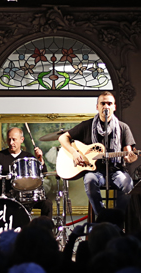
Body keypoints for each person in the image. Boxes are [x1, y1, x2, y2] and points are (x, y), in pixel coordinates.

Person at [59, 91, 137, 220]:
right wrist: (74, 152)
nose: (106, 106)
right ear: (97, 107)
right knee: (90, 180)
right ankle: (102, 217)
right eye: (103, 103)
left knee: (128, 184)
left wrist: (130, 157)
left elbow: (128, 151)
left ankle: (118, 218)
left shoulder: (123, 128)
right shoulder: (87, 126)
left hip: (116, 171)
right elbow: (63, 137)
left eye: (109, 103)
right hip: (94, 172)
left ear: (114, 107)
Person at [0, 127, 52, 217]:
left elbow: (43, 173)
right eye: (9, 139)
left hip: (27, 196)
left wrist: (40, 159)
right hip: (7, 197)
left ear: (22, 140)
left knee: (47, 204)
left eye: (14, 139)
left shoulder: (28, 156)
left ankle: (45, 229)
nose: (11, 143)